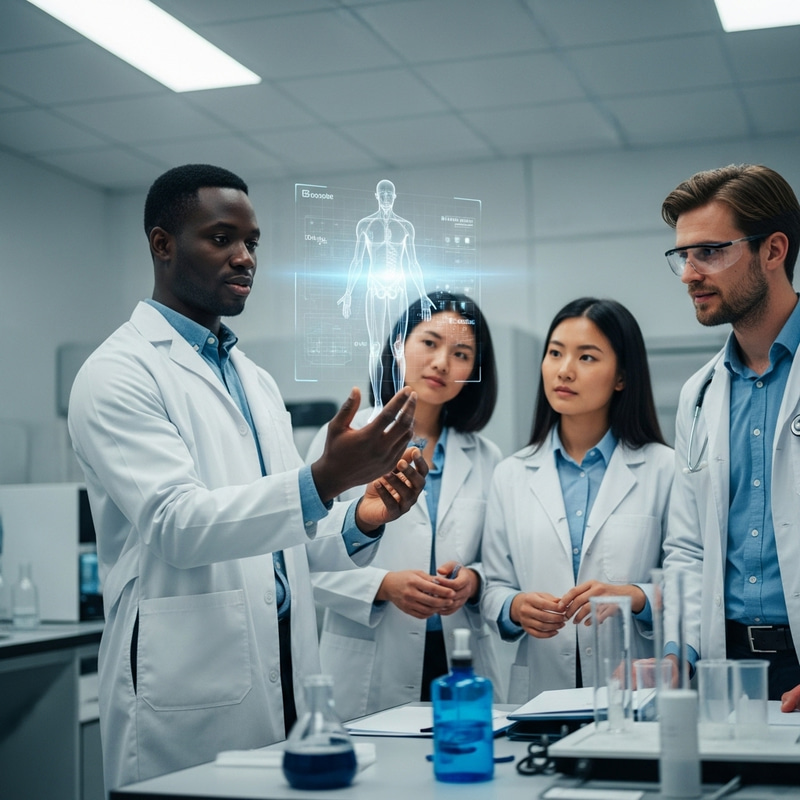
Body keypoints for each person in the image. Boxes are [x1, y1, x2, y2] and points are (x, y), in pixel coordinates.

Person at [67, 164, 429, 790]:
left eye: (253, 242)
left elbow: (292, 538)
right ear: (162, 244)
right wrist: (322, 479)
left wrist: (367, 513)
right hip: (189, 690)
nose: (244, 258)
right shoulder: (117, 373)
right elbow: (177, 523)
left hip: (288, 679)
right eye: (221, 238)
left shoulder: (254, 381)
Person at [308, 291, 503, 720]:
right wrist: (383, 585)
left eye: (461, 353)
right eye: (429, 342)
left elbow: (501, 562)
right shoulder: (346, 439)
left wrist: (472, 579)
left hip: (458, 656)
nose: (441, 363)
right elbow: (300, 554)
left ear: (474, 370)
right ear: (399, 345)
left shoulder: (488, 457)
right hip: (369, 655)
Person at [481, 297, 673, 705]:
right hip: (539, 687)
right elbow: (494, 587)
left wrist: (634, 596)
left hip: (632, 683)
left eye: (586, 357)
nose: (564, 370)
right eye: (555, 353)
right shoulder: (511, 474)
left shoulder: (664, 468)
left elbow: (691, 582)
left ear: (621, 376)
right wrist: (515, 607)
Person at [660, 164, 800, 709]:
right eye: (682, 256)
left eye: (710, 252)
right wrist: (679, 652)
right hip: (725, 663)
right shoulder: (699, 395)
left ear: (773, 250)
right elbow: (689, 546)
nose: (689, 274)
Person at [338, 180, 435, 416]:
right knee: (374, 347)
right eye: (382, 194)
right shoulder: (366, 225)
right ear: (376, 196)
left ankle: (399, 403)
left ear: (394, 197)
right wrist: (348, 293)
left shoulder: (405, 227)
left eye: (388, 194)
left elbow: (413, 263)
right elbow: (357, 261)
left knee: (399, 348)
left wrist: (423, 296)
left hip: (398, 288)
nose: (385, 198)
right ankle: (380, 405)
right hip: (375, 288)